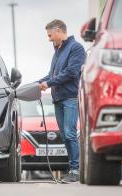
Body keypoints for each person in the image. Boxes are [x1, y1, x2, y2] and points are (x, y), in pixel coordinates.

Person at [38, 19, 86, 182]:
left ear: (59, 31)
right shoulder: (57, 51)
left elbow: (72, 72)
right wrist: (38, 83)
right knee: (65, 136)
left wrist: (48, 83)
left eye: (50, 35)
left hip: (70, 98)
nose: (49, 38)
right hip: (58, 99)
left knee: (70, 134)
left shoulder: (76, 48)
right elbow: (52, 76)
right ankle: (72, 169)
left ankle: (76, 170)